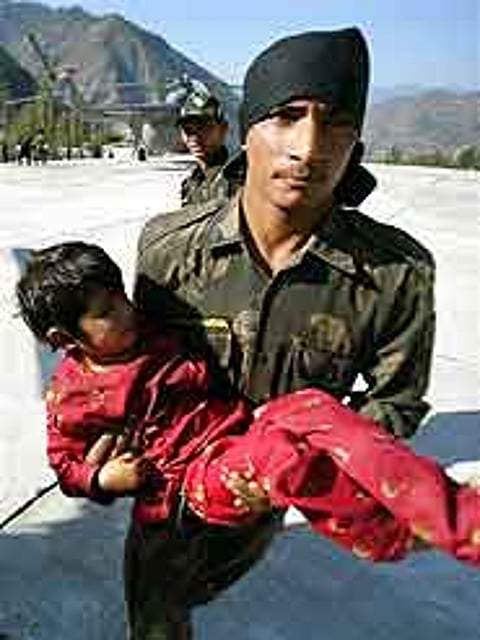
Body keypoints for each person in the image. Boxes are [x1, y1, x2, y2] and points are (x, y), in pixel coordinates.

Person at [134, 27, 437, 638]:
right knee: (154, 610)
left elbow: (396, 401)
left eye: (337, 123)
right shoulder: (168, 251)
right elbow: (136, 367)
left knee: (199, 587)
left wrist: (294, 463)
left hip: (266, 503)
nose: (309, 147)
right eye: (287, 116)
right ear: (247, 130)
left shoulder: (395, 276)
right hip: (167, 491)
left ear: (356, 144)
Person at [15, 241, 480, 570]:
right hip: (191, 482)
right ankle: (385, 534)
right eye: (106, 311)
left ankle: (458, 511)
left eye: (122, 295)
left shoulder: (146, 332)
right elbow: (65, 465)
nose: (127, 309)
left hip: (239, 433)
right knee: (284, 457)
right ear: (63, 338)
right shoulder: (73, 396)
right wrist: (102, 478)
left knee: (314, 405)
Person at [176, 82, 236, 206]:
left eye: (203, 128)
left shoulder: (239, 179)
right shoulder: (190, 185)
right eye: (188, 130)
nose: (195, 137)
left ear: (223, 129)